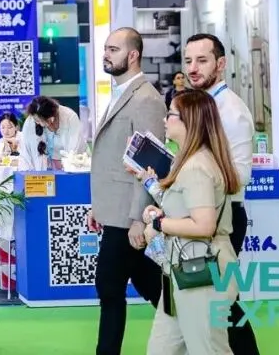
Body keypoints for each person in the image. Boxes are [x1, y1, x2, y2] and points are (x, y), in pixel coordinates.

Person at [142, 89, 242, 355]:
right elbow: (189, 211)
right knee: (161, 349)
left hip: (201, 272)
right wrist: (160, 212)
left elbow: (204, 225)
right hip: (184, 270)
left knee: (208, 348)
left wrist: (160, 225)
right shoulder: (191, 161)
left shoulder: (196, 166)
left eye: (171, 114)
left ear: (190, 121)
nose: (165, 120)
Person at [88, 27, 166, 355]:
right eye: (106, 48)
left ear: (133, 55)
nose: (106, 55)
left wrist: (138, 218)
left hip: (129, 215)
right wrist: (100, 207)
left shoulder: (146, 99)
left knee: (109, 287)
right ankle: (191, 324)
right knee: (148, 282)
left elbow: (150, 165)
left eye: (114, 49)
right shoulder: (121, 93)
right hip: (115, 210)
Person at [181, 33, 260, 355]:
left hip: (222, 220)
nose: (193, 68)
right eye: (188, 61)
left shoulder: (232, 112)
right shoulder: (199, 106)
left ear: (221, 63)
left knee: (224, 303)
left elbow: (240, 176)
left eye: (202, 60)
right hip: (197, 216)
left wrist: (200, 177)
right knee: (214, 303)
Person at [18, 96, 85, 171]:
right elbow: (26, 153)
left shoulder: (70, 117)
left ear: (51, 118)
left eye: (40, 121)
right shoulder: (30, 122)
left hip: (66, 165)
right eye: (37, 121)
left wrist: (69, 166)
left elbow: (74, 151)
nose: (39, 123)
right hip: (44, 166)